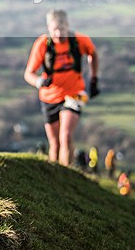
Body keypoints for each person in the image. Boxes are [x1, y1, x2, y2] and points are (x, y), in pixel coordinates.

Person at [24, 9, 99, 166]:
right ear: (49, 28)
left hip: (74, 93)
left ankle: (67, 173)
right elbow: (28, 74)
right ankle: (54, 176)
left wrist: (93, 79)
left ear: (68, 26)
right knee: (54, 143)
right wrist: (39, 82)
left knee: (65, 136)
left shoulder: (79, 40)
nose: (58, 34)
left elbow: (93, 54)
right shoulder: (42, 44)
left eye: (62, 29)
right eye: (54, 30)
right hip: (49, 96)